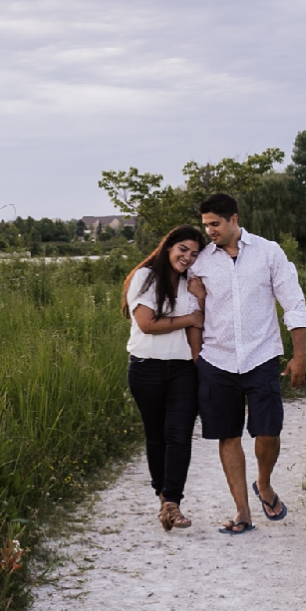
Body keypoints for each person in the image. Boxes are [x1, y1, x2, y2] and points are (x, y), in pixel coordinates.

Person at [185, 193, 306, 535]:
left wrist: (300, 356)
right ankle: (243, 512)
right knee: (227, 435)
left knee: (269, 431)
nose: (209, 230)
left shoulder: (269, 253)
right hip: (217, 359)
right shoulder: (201, 263)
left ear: (234, 219)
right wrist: (197, 357)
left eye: (215, 223)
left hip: (262, 356)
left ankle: (264, 484)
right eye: (206, 224)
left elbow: (294, 304)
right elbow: (194, 313)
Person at [121, 224, 207, 531]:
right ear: (168, 246)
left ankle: (172, 502)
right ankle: (163, 498)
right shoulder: (146, 277)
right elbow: (146, 323)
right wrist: (189, 318)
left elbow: (202, 322)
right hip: (147, 367)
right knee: (156, 436)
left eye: (194, 254)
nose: (187, 257)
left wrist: (201, 302)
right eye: (183, 249)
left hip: (183, 368)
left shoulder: (191, 283)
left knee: (180, 435)